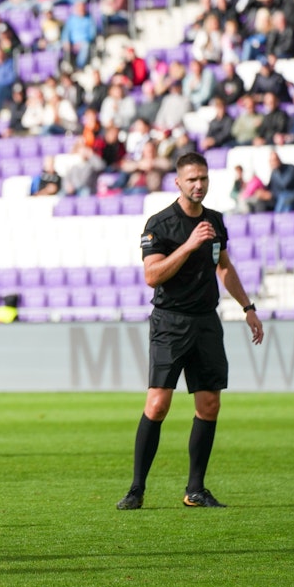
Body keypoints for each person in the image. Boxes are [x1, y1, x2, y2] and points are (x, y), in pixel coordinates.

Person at [116, 152, 264, 512]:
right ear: (178, 182)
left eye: (204, 178)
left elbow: (223, 267)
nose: (199, 185)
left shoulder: (215, 221)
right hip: (170, 321)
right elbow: (152, 275)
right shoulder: (161, 224)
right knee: (158, 403)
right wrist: (188, 244)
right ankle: (136, 489)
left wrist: (248, 308)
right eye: (192, 179)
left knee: (210, 404)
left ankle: (195, 489)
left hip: (206, 321)